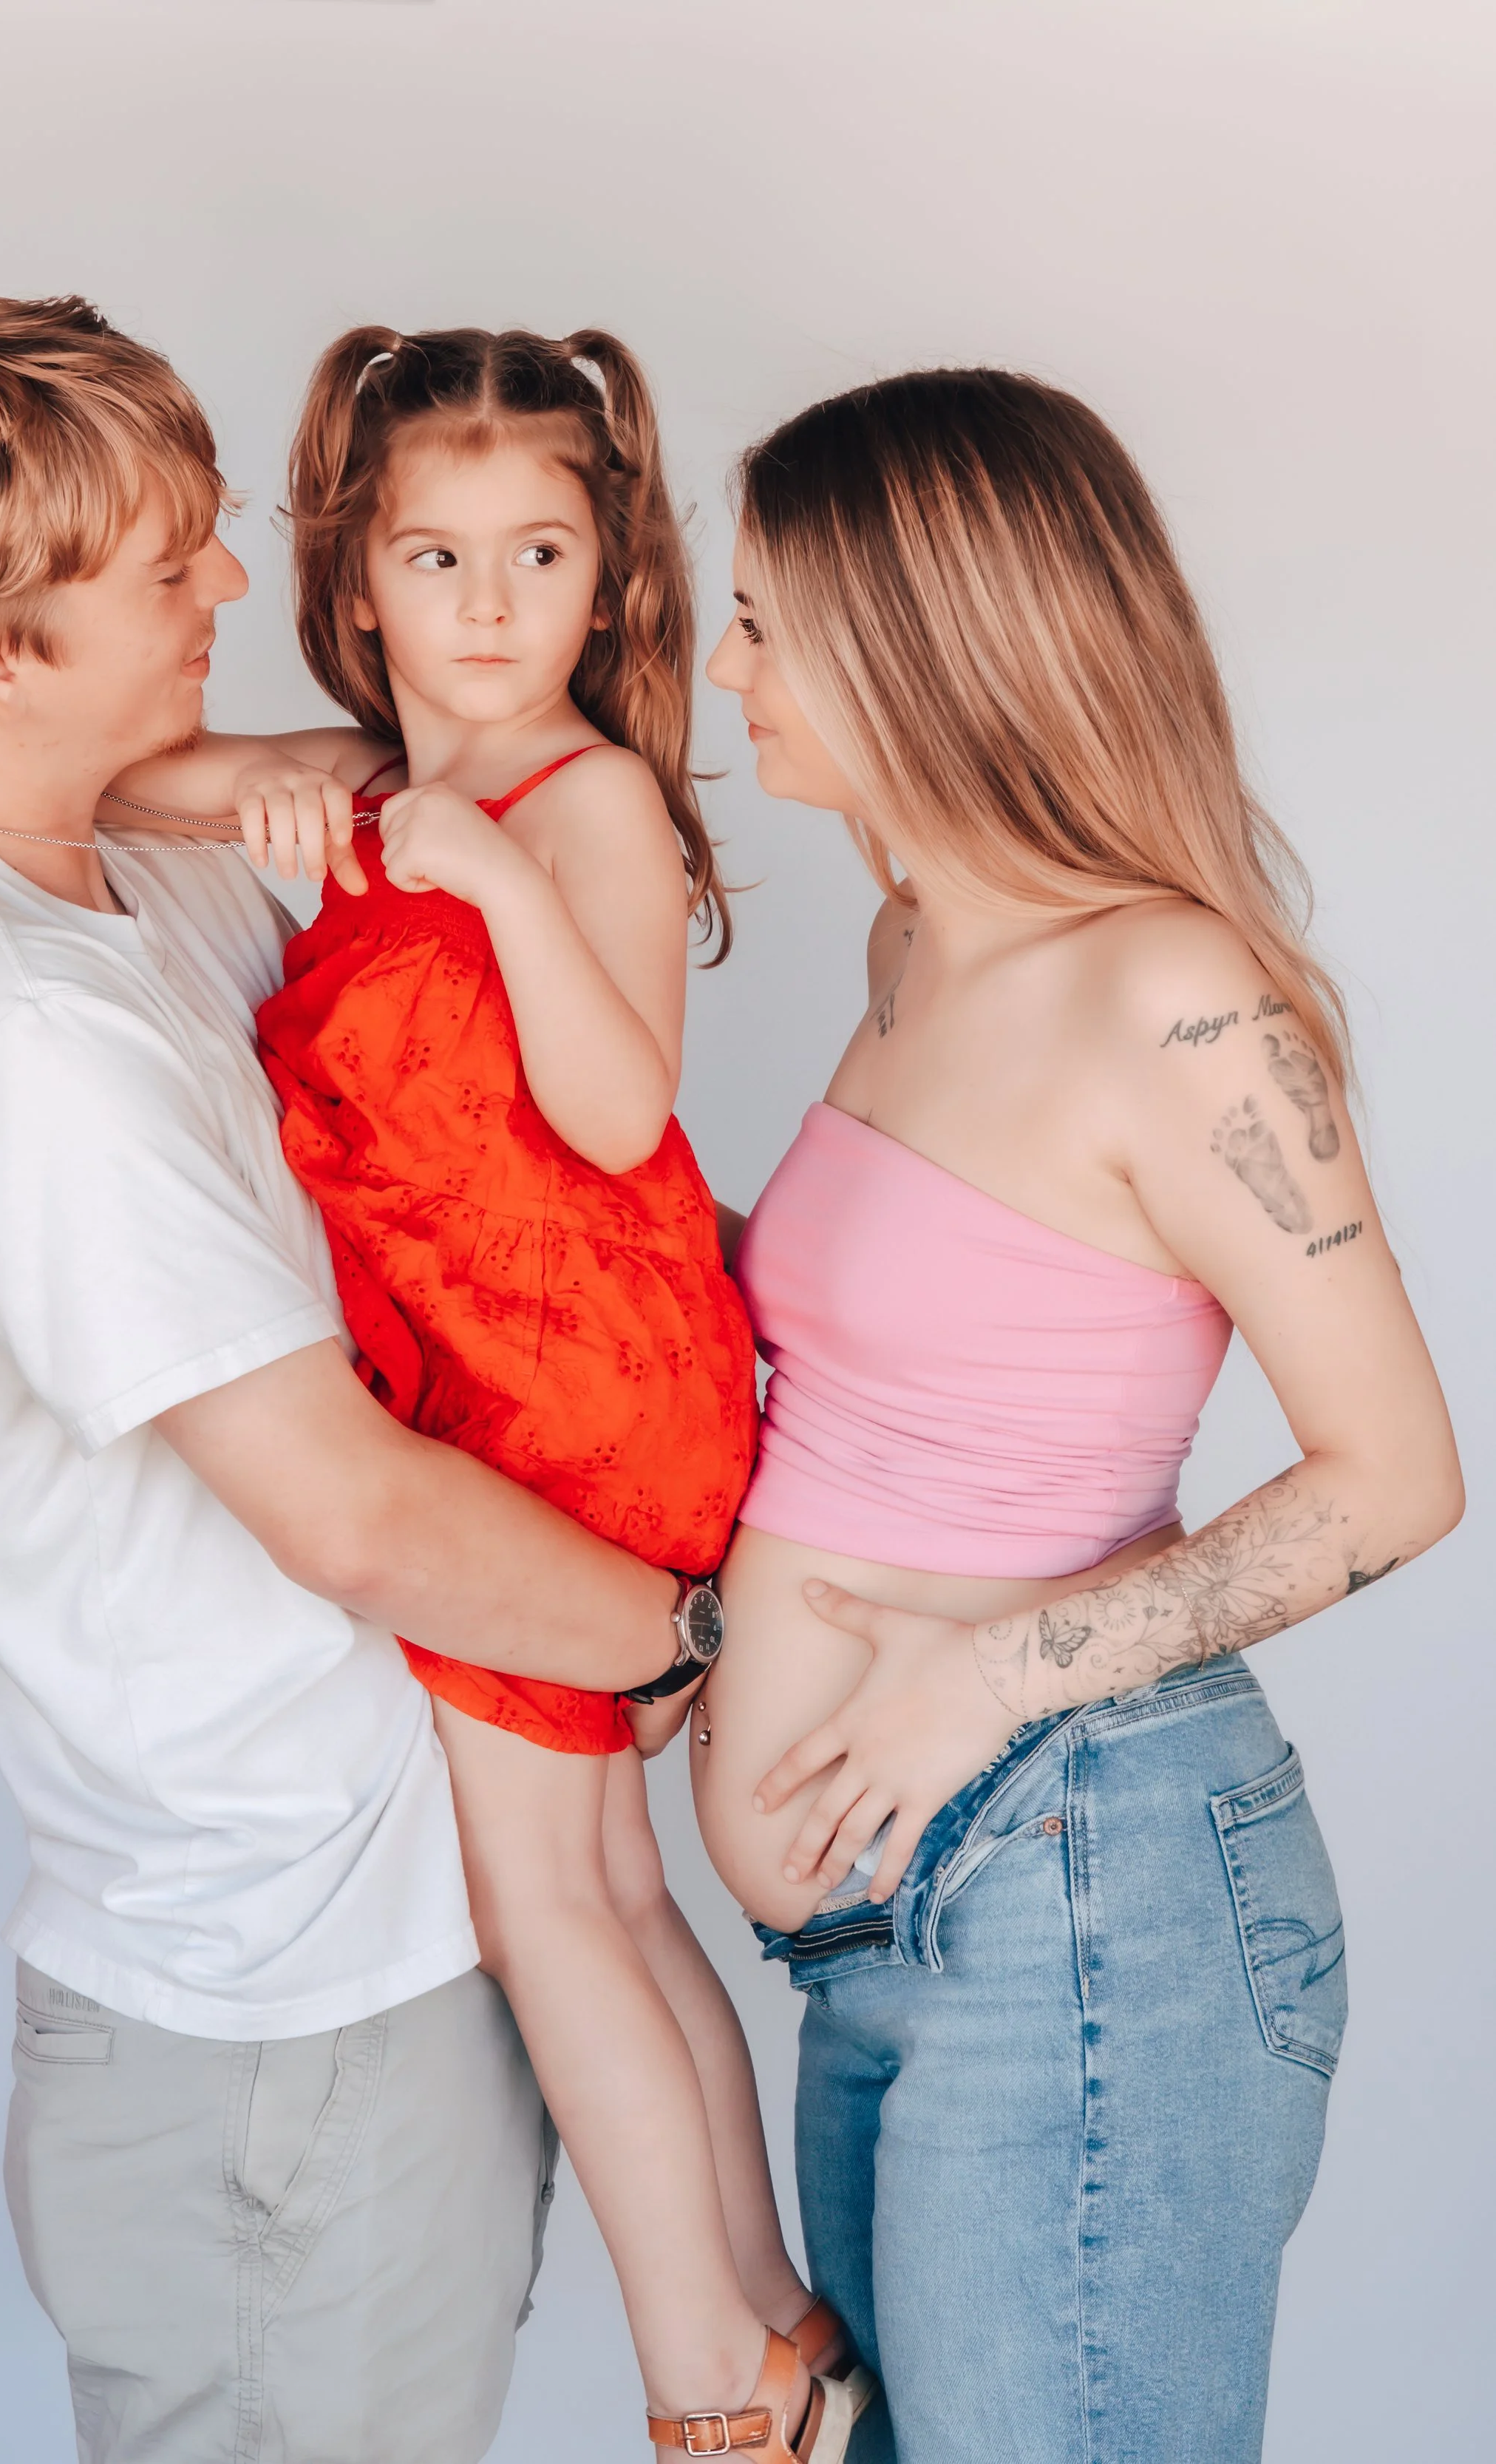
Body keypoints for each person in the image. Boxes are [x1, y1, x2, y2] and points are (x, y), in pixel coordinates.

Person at [0, 290, 713, 2464]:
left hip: (366, 1951)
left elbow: (390, 946)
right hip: (284, 2016)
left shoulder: (101, 876)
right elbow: (338, 1504)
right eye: (170, 572)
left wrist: (324, 770)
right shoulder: (15, 1040)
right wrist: (699, 1639)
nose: (237, 592)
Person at [109, 324, 868, 2464]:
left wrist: (494, 877)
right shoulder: (373, 790)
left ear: (608, 582)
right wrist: (283, 788)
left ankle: (709, 2386)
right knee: (614, 1887)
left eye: (536, 553)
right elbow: (104, 785)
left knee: (547, 1911)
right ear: (354, 589)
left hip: (568, 1386)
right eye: (430, 562)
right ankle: (771, 2312)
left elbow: (621, 1106)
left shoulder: (587, 798)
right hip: (489, 1376)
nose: (484, 608)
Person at [690, 370, 1463, 2464]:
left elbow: (1394, 1478)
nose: (719, 663)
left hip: (1077, 1893)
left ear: (919, 633)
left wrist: (982, 1676)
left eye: (765, 615)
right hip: (883, 1923)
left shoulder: (1163, 992)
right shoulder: (913, 940)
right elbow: (919, 1338)